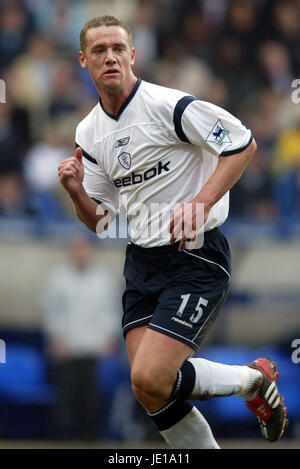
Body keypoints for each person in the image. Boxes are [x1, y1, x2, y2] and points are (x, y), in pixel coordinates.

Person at [58, 15, 288, 448]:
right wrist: (75, 192)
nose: (110, 57)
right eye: (99, 51)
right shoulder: (88, 132)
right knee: (149, 390)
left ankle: (252, 380)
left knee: (150, 375)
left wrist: (199, 206)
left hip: (195, 255)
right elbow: (101, 221)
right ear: (83, 60)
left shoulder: (170, 105)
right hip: (142, 261)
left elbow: (241, 144)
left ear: (132, 54)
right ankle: (252, 384)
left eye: (118, 49)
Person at [41, 235, 120, 440]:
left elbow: (110, 310)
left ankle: (90, 439)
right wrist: (56, 338)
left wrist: (109, 337)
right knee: (67, 400)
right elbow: (52, 311)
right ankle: (65, 439)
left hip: (94, 350)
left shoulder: (102, 278)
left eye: (84, 248)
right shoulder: (58, 277)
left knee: (91, 400)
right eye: (77, 248)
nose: (81, 253)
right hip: (68, 349)